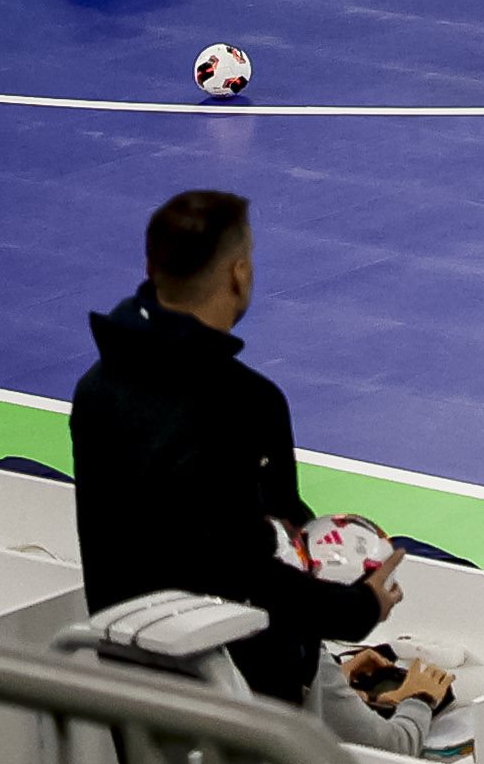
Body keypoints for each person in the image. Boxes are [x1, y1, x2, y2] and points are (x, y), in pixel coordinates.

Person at [66, 190, 394, 690]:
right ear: (239, 273)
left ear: (151, 266)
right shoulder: (245, 403)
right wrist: (358, 606)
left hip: (129, 674)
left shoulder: (95, 388)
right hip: (238, 684)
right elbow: (248, 570)